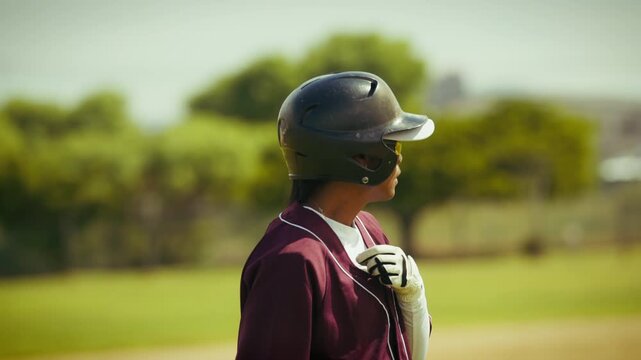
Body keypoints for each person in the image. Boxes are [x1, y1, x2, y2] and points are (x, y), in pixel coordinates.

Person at [236, 71, 434, 360]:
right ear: (361, 158)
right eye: (393, 144)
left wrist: (414, 298)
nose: (400, 157)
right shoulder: (291, 259)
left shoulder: (369, 228)